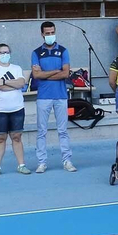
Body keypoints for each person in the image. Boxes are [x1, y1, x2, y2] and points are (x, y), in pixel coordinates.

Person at [30, 22, 76, 173]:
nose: (50, 35)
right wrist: (56, 71)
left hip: (61, 96)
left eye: (52, 32)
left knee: (62, 130)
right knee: (41, 131)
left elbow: (65, 74)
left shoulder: (63, 51)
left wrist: (45, 74)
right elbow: (36, 75)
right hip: (43, 97)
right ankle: (42, 162)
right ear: (42, 34)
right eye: (47, 33)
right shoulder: (36, 53)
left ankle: (67, 160)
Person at [0, 42, 29, 176]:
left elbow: (22, 83)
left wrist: (4, 81)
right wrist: (13, 84)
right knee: (0, 137)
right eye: (2, 52)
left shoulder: (17, 68)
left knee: (16, 137)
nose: (5, 55)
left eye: (7, 52)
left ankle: (21, 165)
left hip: (17, 108)